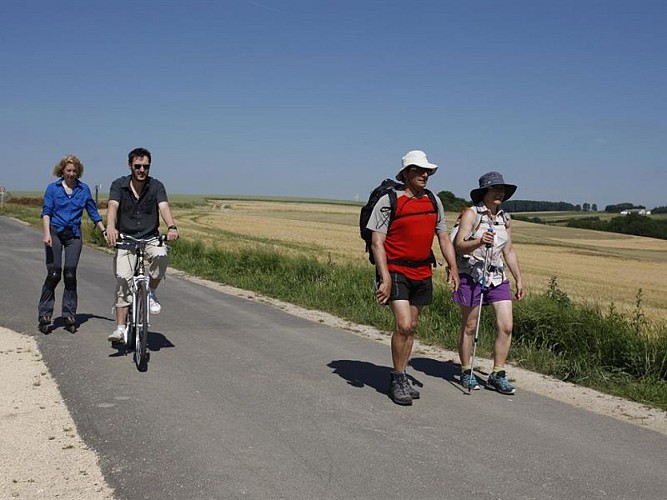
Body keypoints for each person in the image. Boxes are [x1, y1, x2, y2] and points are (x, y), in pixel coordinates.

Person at [366, 150, 460, 405]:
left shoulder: (433, 200)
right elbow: (377, 242)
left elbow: (443, 236)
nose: (425, 174)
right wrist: (384, 277)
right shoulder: (390, 200)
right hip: (396, 270)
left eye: (427, 170)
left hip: (422, 270)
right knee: (404, 325)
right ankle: (397, 378)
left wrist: (453, 267)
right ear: (406, 173)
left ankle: (402, 374)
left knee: (413, 326)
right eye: (418, 170)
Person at [452, 171, 526, 395]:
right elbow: (458, 245)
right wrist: (478, 241)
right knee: (470, 326)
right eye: (495, 189)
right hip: (472, 274)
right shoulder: (471, 214)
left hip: (497, 276)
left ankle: (498, 373)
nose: (499, 193)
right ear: (485, 192)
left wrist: (518, 279)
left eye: (502, 190)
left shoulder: (505, 218)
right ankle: (466, 370)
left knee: (506, 326)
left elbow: (509, 250)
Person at [104, 147, 179, 343]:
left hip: (149, 237)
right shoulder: (118, 185)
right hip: (126, 239)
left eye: (145, 166)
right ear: (130, 166)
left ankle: (151, 291)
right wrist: (111, 228)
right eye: (137, 166)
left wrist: (171, 226)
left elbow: (163, 206)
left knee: (161, 254)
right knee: (123, 279)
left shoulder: (156, 186)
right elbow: (112, 206)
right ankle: (121, 328)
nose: (141, 170)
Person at [38, 155, 106, 334]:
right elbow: (46, 212)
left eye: (75, 171)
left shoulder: (83, 190)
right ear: (62, 171)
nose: (71, 174)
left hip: (73, 235)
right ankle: (45, 314)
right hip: (54, 232)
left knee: (69, 274)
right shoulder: (53, 189)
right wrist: (46, 233)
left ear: (79, 172)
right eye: (68, 170)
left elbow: (92, 211)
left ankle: (69, 314)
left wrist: (103, 230)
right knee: (54, 274)